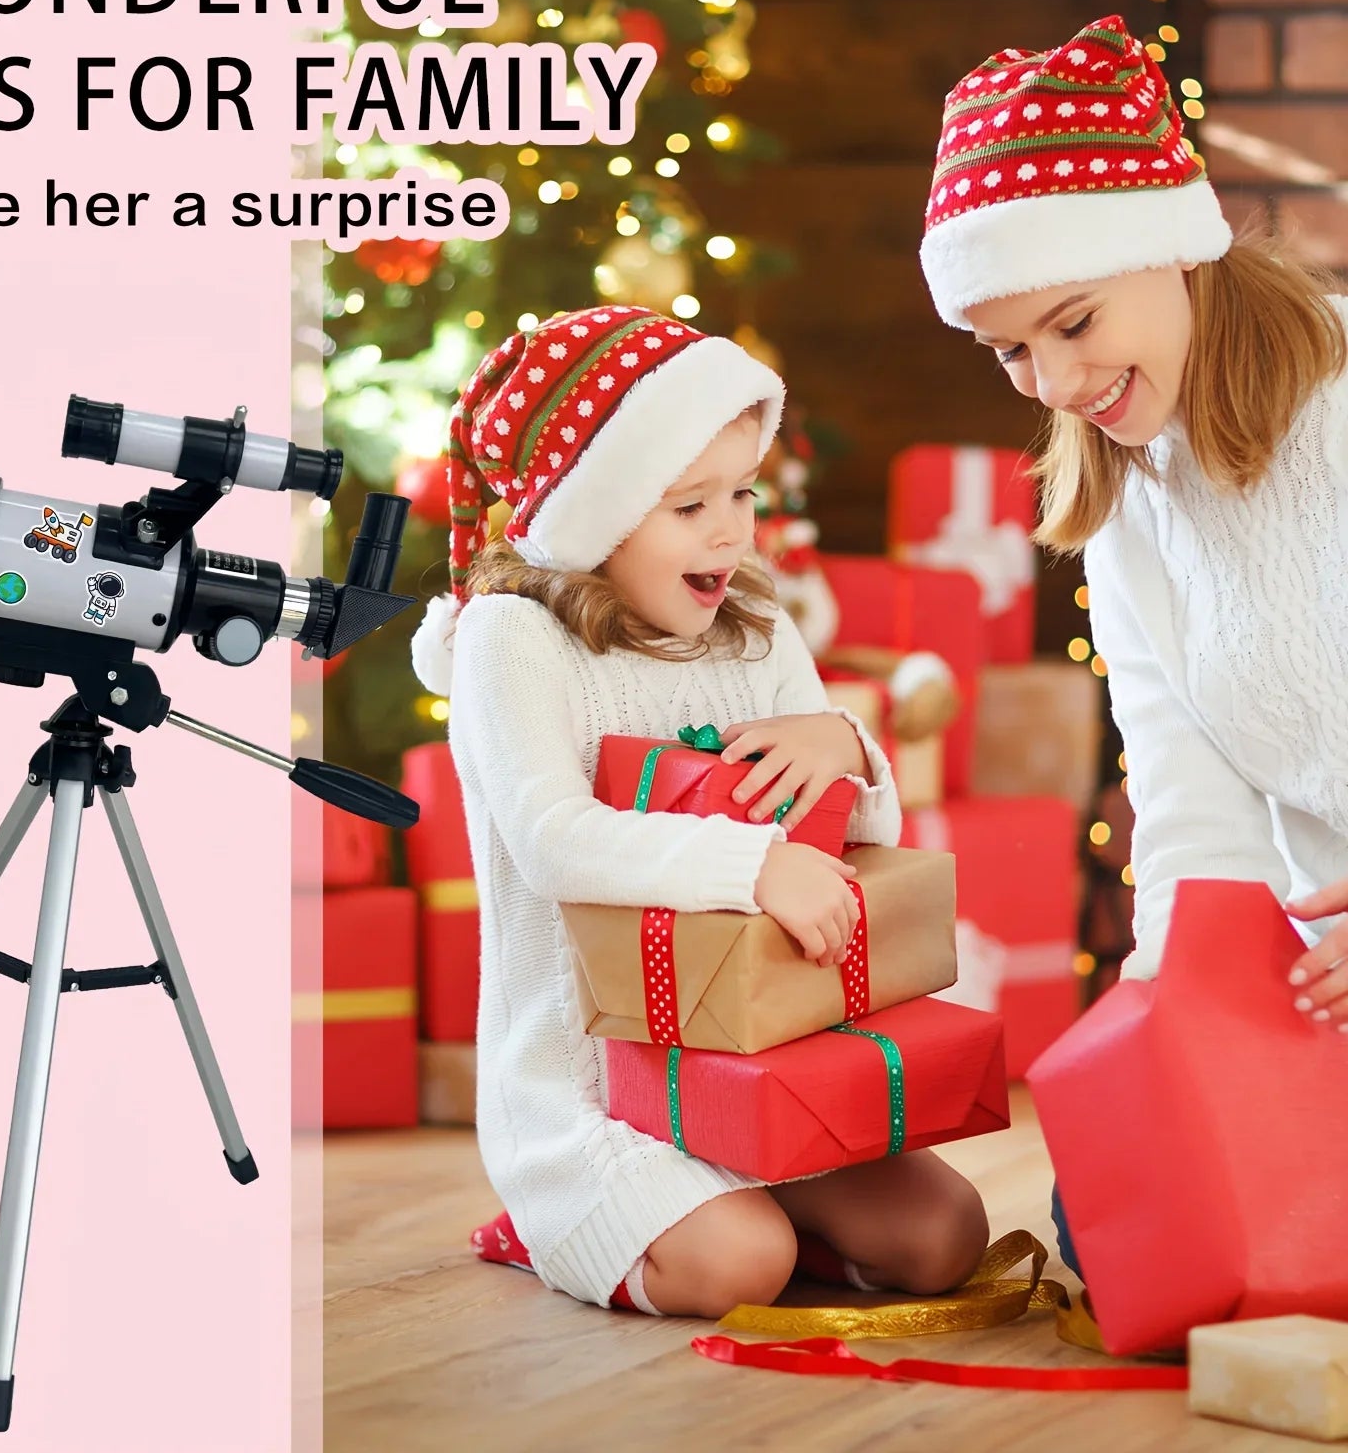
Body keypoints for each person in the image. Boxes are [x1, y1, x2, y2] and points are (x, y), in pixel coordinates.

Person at [410, 307, 990, 1319]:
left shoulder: (755, 633)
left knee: (946, 1238)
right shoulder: (511, 639)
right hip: (587, 1085)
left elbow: (861, 842)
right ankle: (561, 1224)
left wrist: (845, 749)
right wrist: (748, 864)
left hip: (761, 1054)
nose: (731, 530)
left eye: (742, 492)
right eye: (689, 506)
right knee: (736, 1266)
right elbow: (552, 841)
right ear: (593, 513)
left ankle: (756, 1194)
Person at [917, 13, 1348, 1279]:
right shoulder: (1128, 501)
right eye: (1009, 351)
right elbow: (1187, 809)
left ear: (1171, 246)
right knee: (1109, 1222)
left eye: (1071, 320)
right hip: (1322, 977)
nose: (1051, 383)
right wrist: (1174, 1041)